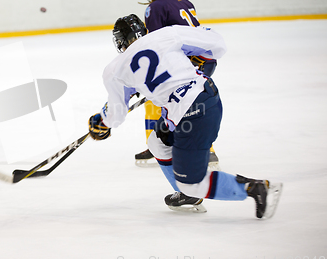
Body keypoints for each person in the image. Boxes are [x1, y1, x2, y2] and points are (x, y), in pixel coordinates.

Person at [88, 14, 282, 219]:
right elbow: (217, 43)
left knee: (193, 183)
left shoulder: (115, 69)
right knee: (157, 142)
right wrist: (202, 59)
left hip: (192, 116)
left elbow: (116, 114)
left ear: (121, 42)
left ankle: (256, 188)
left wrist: (101, 122)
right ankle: (187, 195)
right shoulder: (166, 34)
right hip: (206, 97)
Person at [135, 0, 219, 173]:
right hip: (203, 59)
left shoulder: (153, 8)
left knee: (175, 105)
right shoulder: (184, 1)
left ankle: (201, 150)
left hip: (183, 63)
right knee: (193, 103)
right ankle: (202, 149)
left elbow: (156, 42)